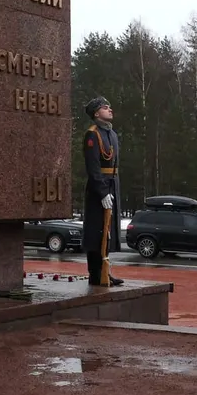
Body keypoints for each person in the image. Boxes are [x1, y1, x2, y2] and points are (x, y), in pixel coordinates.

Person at [82, 96, 123, 287]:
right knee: (97, 230)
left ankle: (106, 270)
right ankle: (95, 273)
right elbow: (93, 166)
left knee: (108, 231)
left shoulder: (112, 134)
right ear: (97, 113)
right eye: (105, 107)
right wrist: (102, 191)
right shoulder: (93, 134)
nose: (110, 109)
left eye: (110, 106)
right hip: (99, 187)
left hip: (112, 183)